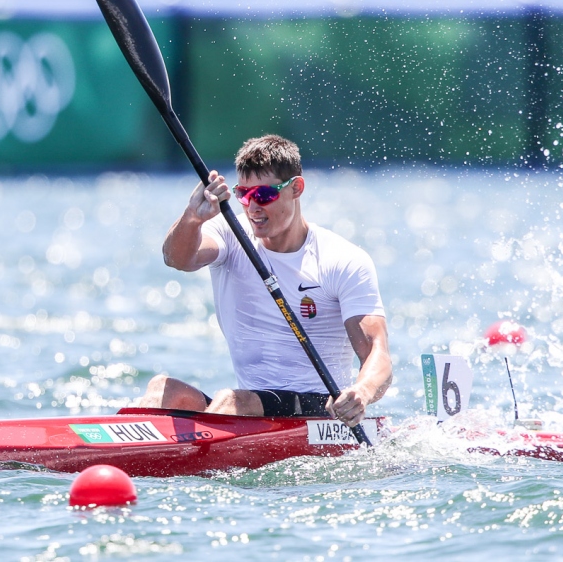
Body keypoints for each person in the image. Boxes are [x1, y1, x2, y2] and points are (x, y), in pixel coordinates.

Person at [138, 135, 392, 428]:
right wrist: (192, 219)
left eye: (264, 195)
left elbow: (377, 353)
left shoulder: (342, 260)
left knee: (233, 402)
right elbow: (178, 259)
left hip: (321, 409)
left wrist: (360, 392)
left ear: (296, 188)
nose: (252, 207)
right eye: (244, 195)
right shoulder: (230, 233)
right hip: (247, 405)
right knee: (161, 389)